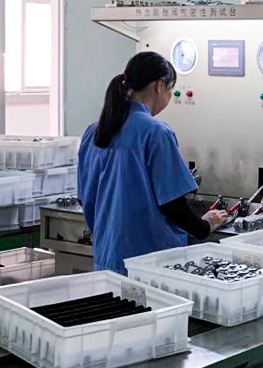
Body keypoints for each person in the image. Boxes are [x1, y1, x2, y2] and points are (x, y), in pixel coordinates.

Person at [78, 51, 229, 274]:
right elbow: (173, 206)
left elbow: (85, 198)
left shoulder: (95, 131)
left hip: (108, 259)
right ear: (160, 86)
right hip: (150, 263)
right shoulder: (155, 132)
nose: (169, 98)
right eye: (170, 91)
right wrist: (205, 226)